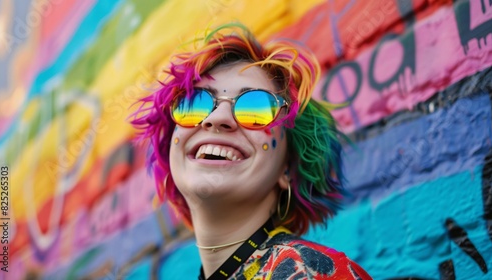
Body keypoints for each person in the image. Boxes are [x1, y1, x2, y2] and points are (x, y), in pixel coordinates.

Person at [131, 23, 371, 279]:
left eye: (256, 107)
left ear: (288, 167)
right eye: (195, 102)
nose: (217, 118)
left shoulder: (307, 271)